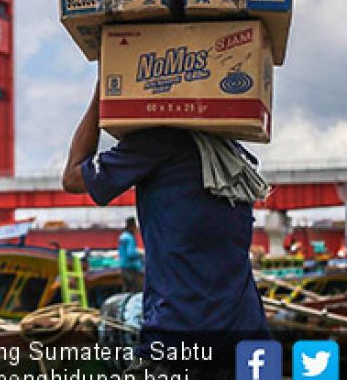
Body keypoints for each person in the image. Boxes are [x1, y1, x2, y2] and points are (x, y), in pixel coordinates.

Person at [61, 82, 269, 376]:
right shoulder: (235, 154)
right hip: (249, 334)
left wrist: (102, 94)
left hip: (180, 336)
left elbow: (72, 177)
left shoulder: (157, 143)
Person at [118, 217, 143, 292]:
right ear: (132, 226)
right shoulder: (129, 238)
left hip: (123, 269)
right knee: (136, 292)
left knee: (126, 292)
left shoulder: (122, 236)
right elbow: (131, 254)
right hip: (131, 270)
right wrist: (141, 253)